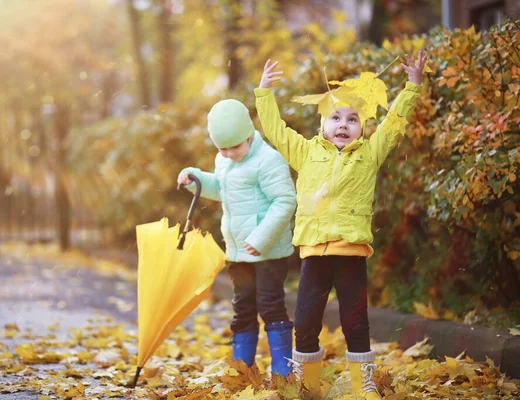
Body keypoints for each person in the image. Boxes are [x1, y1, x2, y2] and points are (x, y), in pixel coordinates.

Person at [254, 52, 427, 398]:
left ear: (362, 127)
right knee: (304, 323)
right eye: (335, 117)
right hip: (314, 254)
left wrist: (413, 87)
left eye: (352, 119)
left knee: (355, 323)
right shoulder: (305, 152)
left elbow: (393, 124)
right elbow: (275, 131)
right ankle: (307, 385)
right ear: (322, 125)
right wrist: (263, 92)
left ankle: (363, 385)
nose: (343, 125)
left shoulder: (369, 154)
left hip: (350, 253)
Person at [177, 99, 297, 377]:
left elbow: (285, 200)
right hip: (238, 252)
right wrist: (195, 178)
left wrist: (261, 238)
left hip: (268, 252)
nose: (229, 153)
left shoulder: (268, 160)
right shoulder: (225, 160)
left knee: (270, 305)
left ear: (249, 134)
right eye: (223, 148)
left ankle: (282, 370)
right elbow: (222, 189)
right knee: (242, 307)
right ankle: (242, 369)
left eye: (235, 146)